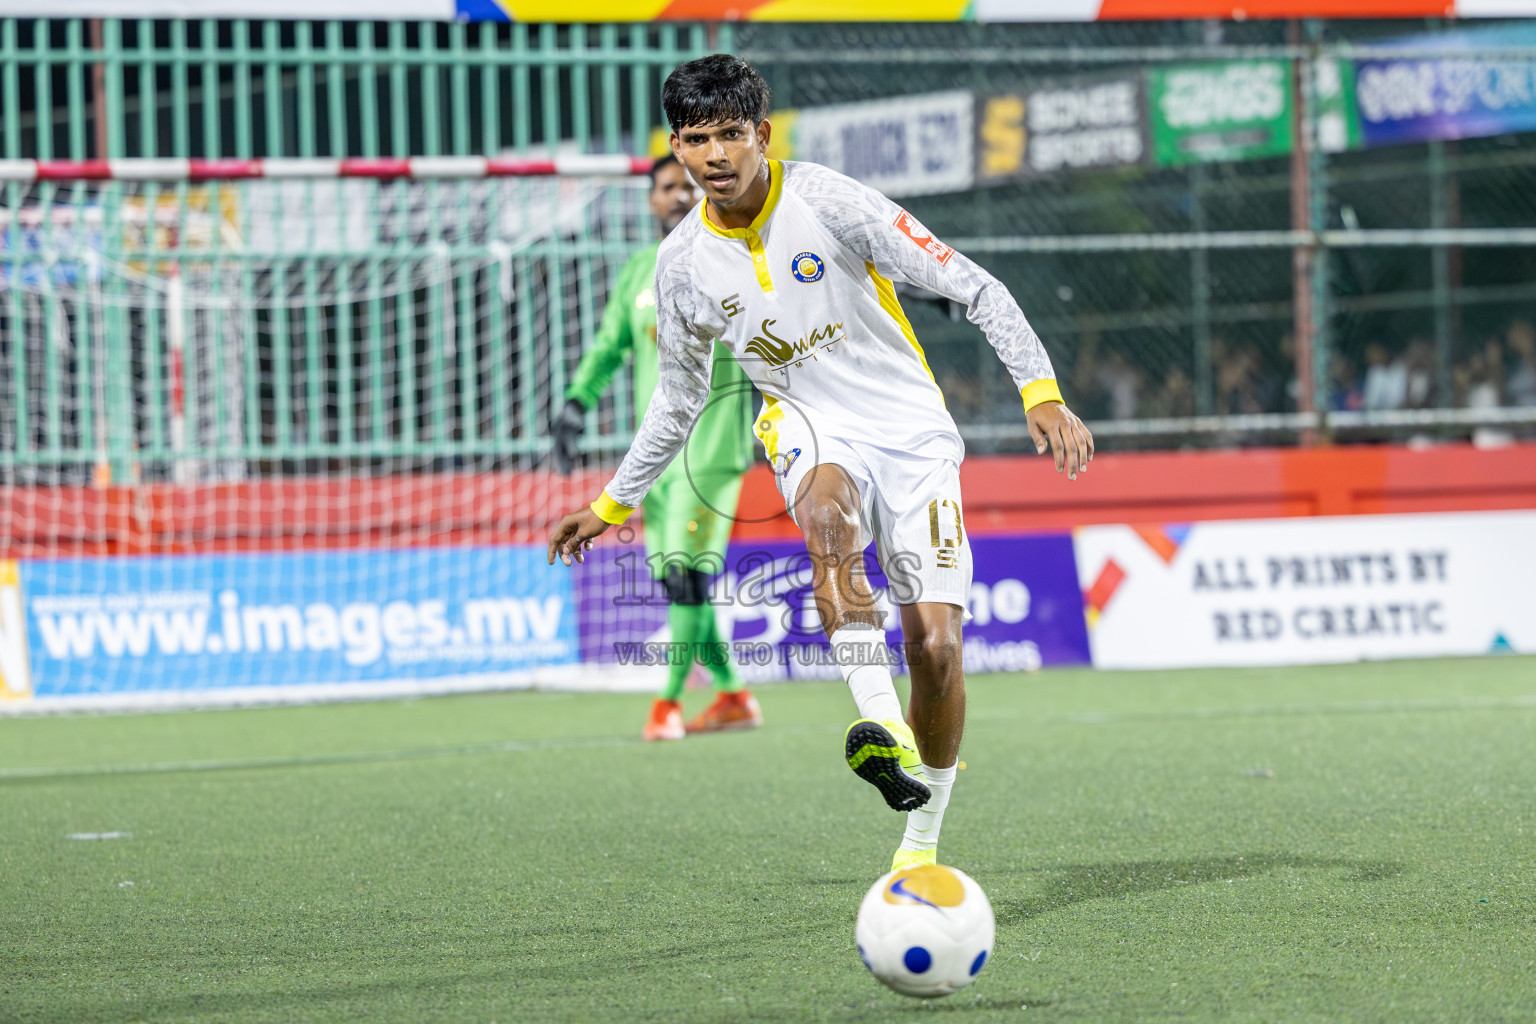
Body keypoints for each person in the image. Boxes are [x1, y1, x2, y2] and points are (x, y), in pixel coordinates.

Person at [549, 55, 1092, 871]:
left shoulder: (832, 202)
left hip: (911, 429)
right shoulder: (681, 264)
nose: (716, 157)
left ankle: (921, 840)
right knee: (824, 515)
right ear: (676, 146)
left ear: (761, 133)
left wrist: (1040, 390)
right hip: (807, 423)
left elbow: (971, 284)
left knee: (938, 647)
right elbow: (676, 400)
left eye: (731, 134)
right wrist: (614, 504)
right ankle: (875, 718)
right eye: (696, 141)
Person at [551, 153, 762, 743]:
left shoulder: (737, 260)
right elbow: (608, 347)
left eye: (688, 186)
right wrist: (574, 404)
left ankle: (667, 704)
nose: (678, 196)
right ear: (651, 199)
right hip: (655, 464)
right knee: (679, 582)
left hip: (713, 458)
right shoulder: (639, 271)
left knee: (684, 582)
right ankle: (734, 696)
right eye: (668, 187)